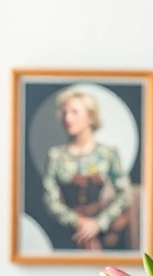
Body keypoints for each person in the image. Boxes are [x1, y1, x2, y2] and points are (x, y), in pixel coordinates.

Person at [42, 87, 135, 251]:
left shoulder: (108, 154)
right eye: (64, 113)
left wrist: (99, 223)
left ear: (90, 117)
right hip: (66, 235)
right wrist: (79, 222)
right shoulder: (55, 156)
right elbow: (51, 201)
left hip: (105, 235)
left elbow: (124, 194)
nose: (67, 118)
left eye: (74, 112)